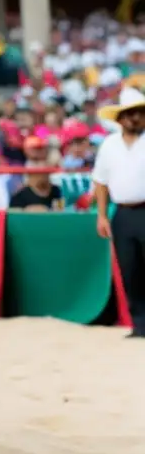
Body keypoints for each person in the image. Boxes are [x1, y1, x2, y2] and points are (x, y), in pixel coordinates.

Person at [93, 86, 145, 338]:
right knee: (130, 269)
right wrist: (102, 215)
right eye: (130, 113)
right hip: (122, 212)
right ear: (120, 119)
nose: (135, 117)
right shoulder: (109, 145)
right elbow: (100, 181)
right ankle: (140, 324)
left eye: (139, 112)